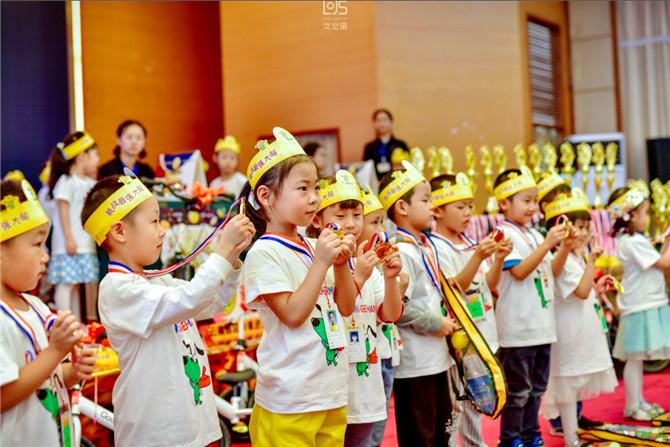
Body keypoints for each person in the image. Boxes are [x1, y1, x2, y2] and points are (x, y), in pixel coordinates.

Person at [81, 172, 254, 447]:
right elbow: (190, 297)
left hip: (193, 423)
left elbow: (211, 302)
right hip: (159, 432)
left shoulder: (155, 279)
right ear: (120, 231)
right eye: (153, 221)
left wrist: (233, 258)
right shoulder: (117, 288)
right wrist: (220, 252)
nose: (162, 229)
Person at [241, 127, 358, 446]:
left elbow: (346, 308)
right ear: (266, 196)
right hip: (289, 401)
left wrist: (340, 265)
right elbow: (292, 314)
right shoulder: (264, 252)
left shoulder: (312, 245)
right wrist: (322, 262)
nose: (314, 199)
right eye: (302, 188)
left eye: (316, 188)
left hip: (330, 393)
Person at [309, 170, 403, 447]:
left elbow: (389, 315)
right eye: (340, 217)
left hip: (365, 382)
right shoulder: (315, 259)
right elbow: (337, 311)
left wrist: (390, 277)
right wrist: (359, 275)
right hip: (333, 385)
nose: (350, 224)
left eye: (357, 216)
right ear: (318, 219)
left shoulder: (364, 259)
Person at [1, 178, 95, 446]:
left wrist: (74, 371)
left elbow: (47, 379)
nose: (45, 256)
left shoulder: (37, 307)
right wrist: (54, 351)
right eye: (36, 244)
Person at [428, 173, 512, 447]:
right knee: (459, 405)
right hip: (461, 339)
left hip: (482, 331)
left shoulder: (468, 241)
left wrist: (497, 260)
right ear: (438, 211)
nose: (467, 213)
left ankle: (476, 444)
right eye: (459, 207)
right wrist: (479, 257)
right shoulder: (436, 247)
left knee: (477, 399)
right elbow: (454, 289)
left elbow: (488, 284)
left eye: (469, 206)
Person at [378, 161, 457, 447]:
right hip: (414, 361)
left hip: (436, 356)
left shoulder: (424, 245)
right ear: (402, 208)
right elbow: (399, 308)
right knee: (419, 436)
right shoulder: (399, 251)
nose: (432, 206)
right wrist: (436, 324)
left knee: (441, 431)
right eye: (425, 200)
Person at [493, 167, 572, 447]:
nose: (532, 207)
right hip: (518, 327)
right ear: (504, 203)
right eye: (525, 200)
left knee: (536, 390)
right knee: (518, 392)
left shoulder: (535, 235)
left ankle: (530, 434)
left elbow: (552, 269)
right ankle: (511, 438)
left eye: (534, 201)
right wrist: (548, 242)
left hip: (541, 325)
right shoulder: (503, 233)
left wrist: (562, 247)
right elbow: (519, 272)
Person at [540, 189, 617, 447]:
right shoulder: (558, 258)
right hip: (568, 332)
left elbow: (582, 291)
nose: (583, 233)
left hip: (579, 327)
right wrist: (593, 261)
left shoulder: (573, 256)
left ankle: (573, 435)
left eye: (586, 227)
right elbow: (581, 291)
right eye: (578, 227)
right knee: (567, 386)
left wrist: (598, 287)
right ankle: (570, 437)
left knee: (572, 385)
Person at [607, 182, 670, 420]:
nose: (647, 218)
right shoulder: (632, 242)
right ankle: (632, 406)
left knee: (638, 358)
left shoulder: (637, 240)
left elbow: (661, 259)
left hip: (647, 302)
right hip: (639, 305)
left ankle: (639, 402)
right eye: (644, 213)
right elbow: (665, 263)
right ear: (631, 216)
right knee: (634, 359)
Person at [364, 187, 406, 447]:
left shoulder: (383, 265)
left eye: (382, 222)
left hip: (386, 351)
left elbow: (390, 314)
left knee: (377, 429)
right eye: (374, 222)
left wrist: (398, 283)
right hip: (367, 358)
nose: (381, 230)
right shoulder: (356, 267)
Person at [47, 132, 100, 321]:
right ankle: (65, 321)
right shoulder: (66, 181)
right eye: (94, 155)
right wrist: (69, 238)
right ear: (81, 156)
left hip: (84, 243)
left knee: (77, 284)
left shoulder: (87, 183)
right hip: (68, 244)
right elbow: (63, 210)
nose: (98, 160)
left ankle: (77, 325)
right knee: (66, 284)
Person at [363, 109, 409, 180]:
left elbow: (407, 166)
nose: (381, 123)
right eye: (378, 120)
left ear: (391, 122)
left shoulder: (401, 145)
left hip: (398, 182)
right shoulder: (369, 147)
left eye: (384, 120)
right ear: (374, 124)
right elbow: (366, 170)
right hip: (377, 183)